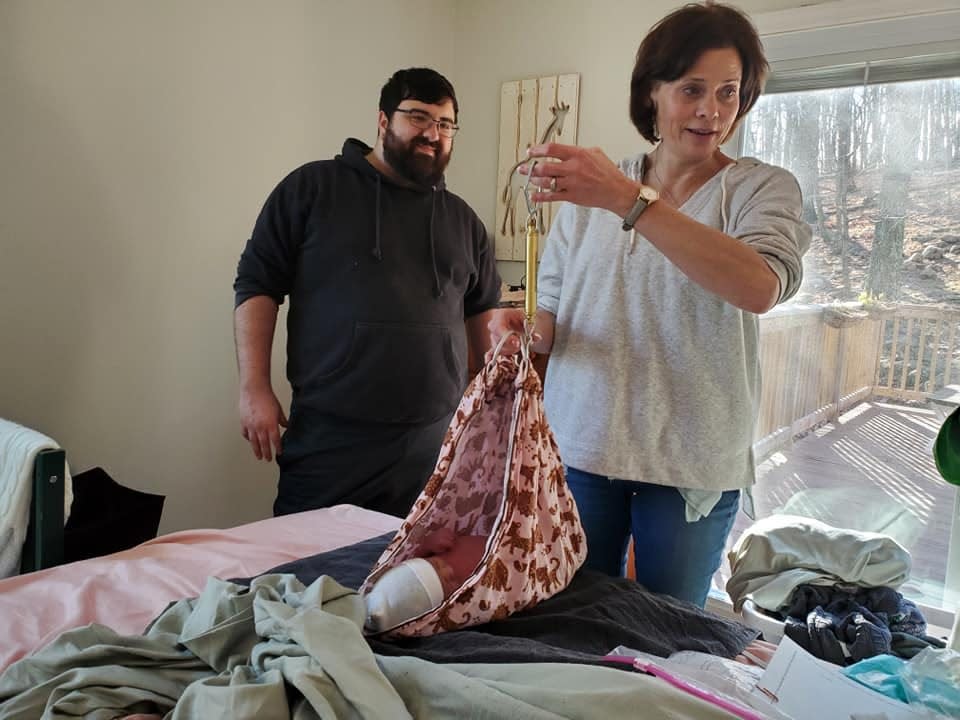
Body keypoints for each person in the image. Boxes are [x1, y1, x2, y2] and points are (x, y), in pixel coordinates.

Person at [489, 2, 811, 607]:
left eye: (728, 92)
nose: (711, 110)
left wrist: (630, 202)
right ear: (652, 96)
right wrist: (523, 328)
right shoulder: (593, 190)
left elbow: (761, 285)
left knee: (668, 636)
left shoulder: (759, 188)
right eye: (692, 89)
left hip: (691, 463)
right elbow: (552, 308)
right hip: (581, 446)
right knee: (570, 620)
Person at [234, 68, 501, 518]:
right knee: (309, 580)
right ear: (382, 120)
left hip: (432, 454)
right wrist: (253, 387)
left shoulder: (464, 222)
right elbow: (256, 284)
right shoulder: (312, 189)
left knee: (414, 585)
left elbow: (484, 316)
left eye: (445, 124)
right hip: (330, 448)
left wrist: (491, 415)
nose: (432, 134)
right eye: (418, 117)